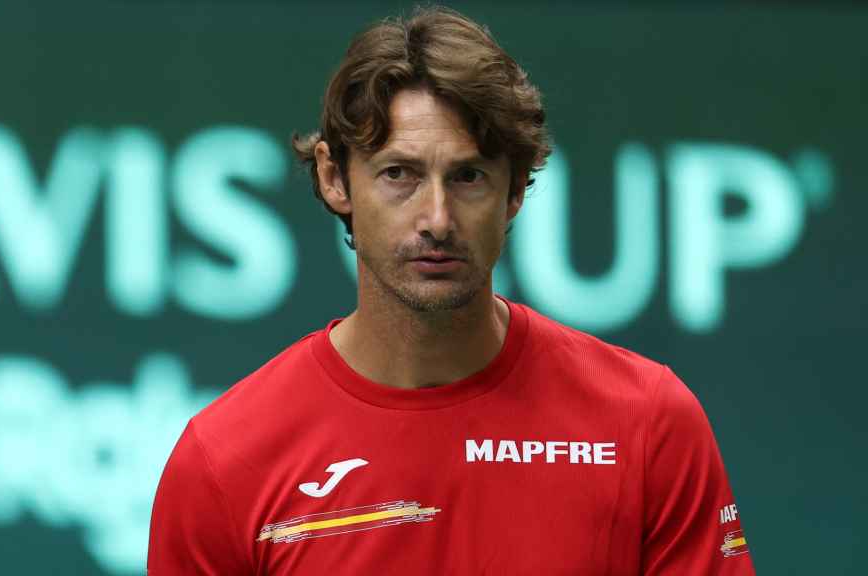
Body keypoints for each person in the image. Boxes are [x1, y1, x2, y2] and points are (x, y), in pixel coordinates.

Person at [148, 6, 754, 575]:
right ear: (336, 179)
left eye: (468, 176)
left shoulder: (646, 423)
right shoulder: (224, 460)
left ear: (515, 189)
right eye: (399, 174)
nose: (437, 217)